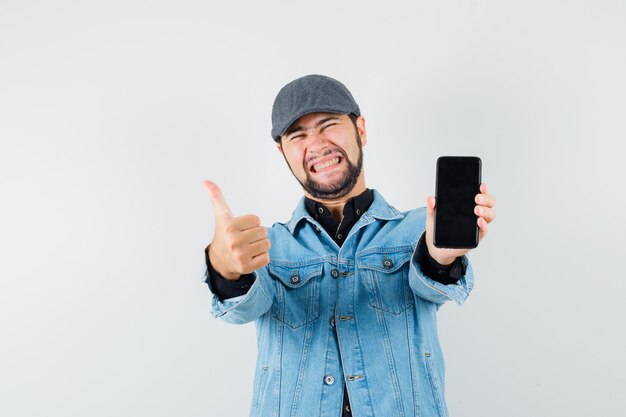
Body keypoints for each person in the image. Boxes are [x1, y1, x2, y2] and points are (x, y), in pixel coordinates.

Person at [202, 74, 496, 417]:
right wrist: (224, 267)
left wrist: (441, 258)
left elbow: (435, 288)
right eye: (298, 135)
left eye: (328, 125)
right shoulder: (267, 246)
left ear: (361, 129)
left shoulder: (421, 228)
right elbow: (242, 309)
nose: (317, 144)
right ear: (282, 152)